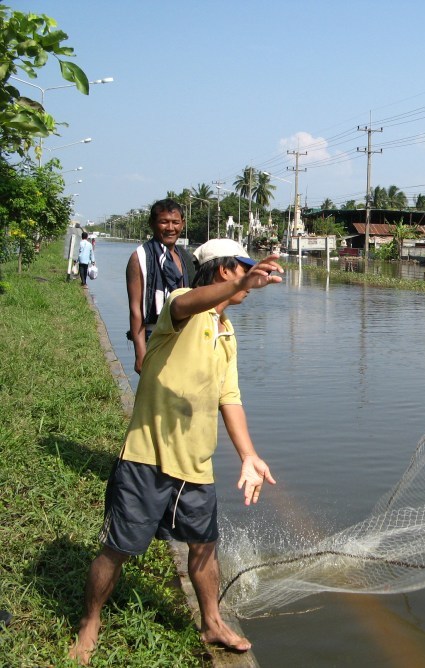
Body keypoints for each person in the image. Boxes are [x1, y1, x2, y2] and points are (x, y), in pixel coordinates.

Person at [69, 239, 284, 664]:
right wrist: (247, 279)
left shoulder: (226, 331)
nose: (249, 278)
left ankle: (212, 622)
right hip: (147, 456)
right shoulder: (182, 305)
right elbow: (192, 303)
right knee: (118, 548)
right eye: (241, 267)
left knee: (204, 548)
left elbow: (230, 397)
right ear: (224, 270)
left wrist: (249, 455)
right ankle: (89, 622)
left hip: (196, 463)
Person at [126, 199, 197, 374]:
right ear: (152, 224)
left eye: (175, 222)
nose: (170, 228)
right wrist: (140, 352)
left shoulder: (185, 258)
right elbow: (136, 309)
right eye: (164, 222)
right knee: (157, 396)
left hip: (184, 336)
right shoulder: (141, 258)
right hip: (155, 336)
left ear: (183, 224)